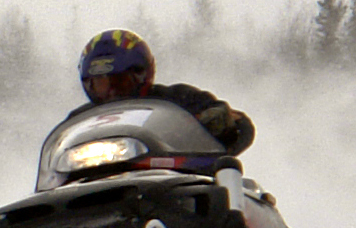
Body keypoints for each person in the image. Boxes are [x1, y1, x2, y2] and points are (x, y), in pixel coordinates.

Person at [73, 28, 255, 154]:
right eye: (101, 84)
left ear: (142, 75)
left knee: (229, 187)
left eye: (120, 82)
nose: (112, 91)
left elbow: (238, 124)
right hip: (99, 186)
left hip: (176, 180)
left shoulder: (177, 99)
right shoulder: (80, 120)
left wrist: (219, 123)